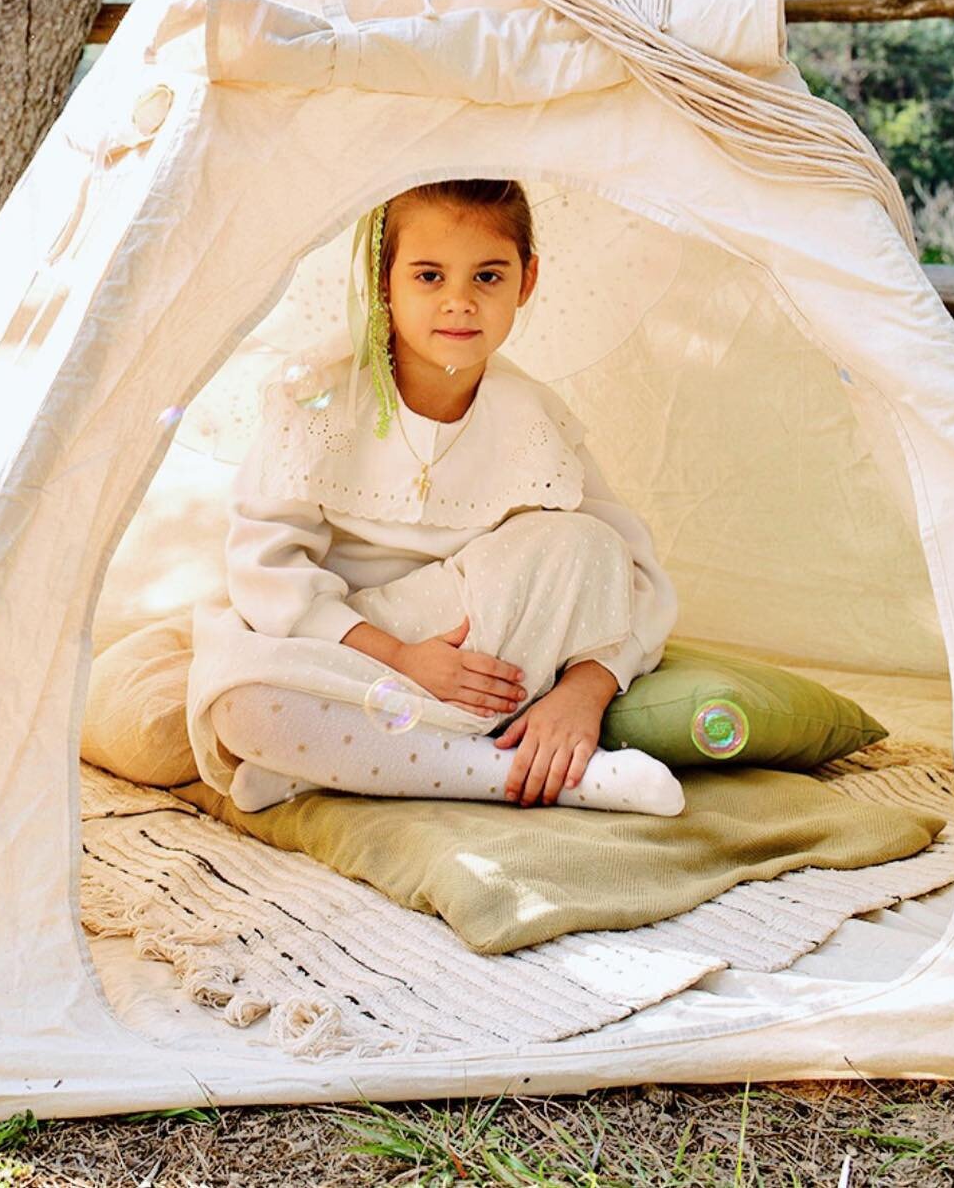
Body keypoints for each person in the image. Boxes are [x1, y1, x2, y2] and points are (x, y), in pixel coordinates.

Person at [186, 179, 684, 816]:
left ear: (526, 283)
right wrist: (398, 657)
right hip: (352, 653)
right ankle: (519, 774)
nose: (459, 302)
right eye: (428, 276)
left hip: (485, 665)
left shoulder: (534, 421)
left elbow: (635, 574)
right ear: (383, 282)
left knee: (584, 539)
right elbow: (266, 568)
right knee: (240, 707)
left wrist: (583, 694)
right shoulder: (319, 401)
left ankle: (343, 764)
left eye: (487, 277)